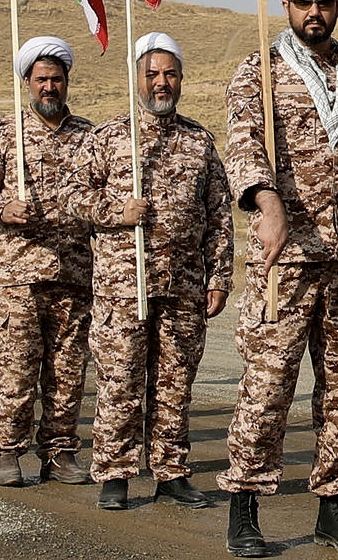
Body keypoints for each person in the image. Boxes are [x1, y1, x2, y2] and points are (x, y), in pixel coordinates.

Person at [219, 0, 338, 555]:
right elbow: (243, 145)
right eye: (303, 3)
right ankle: (244, 503)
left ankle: (335, 505)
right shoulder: (260, 74)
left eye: (325, 2)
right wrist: (267, 204)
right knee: (268, 385)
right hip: (285, 260)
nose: (315, 12)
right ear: (287, 7)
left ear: (337, 6)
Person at [85, 33, 235, 512]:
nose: (161, 82)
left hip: (184, 286)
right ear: (137, 79)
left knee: (174, 382)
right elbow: (71, 199)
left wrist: (219, 278)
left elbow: (219, 216)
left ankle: (170, 469)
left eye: (169, 74)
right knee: (121, 380)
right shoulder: (108, 138)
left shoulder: (199, 141)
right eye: (152, 74)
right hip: (122, 287)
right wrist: (115, 211)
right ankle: (115, 470)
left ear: (182, 79)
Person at [0, 37, 108, 484]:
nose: (50, 87)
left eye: (57, 79)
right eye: (41, 79)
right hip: (20, 275)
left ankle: (60, 452)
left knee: (67, 372)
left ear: (68, 82)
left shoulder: (89, 136)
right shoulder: (6, 133)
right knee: (15, 366)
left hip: (75, 273)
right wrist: (2, 207)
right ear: (27, 82)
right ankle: (7, 451)